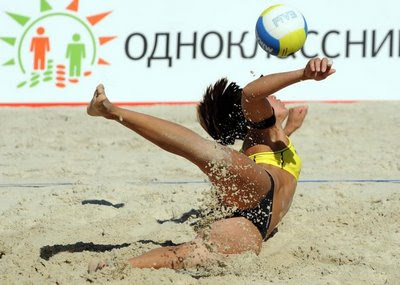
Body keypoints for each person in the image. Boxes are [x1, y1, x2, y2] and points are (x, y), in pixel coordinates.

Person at [87, 57, 335, 271]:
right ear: (249, 114)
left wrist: (290, 128)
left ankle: (121, 267)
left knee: (195, 254)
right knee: (200, 149)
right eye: (269, 93)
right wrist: (303, 74)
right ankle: (110, 111)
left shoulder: (274, 135)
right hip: (260, 187)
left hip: (256, 223)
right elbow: (251, 93)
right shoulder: (263, 127)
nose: (274, 94)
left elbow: (279, 156)